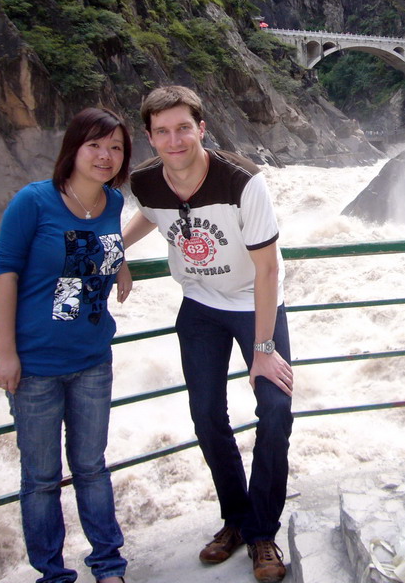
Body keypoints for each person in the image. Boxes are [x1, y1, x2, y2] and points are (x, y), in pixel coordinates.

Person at [121, 85, 293, 583]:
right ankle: (235, 521)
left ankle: (263, 532)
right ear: (150, 137)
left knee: (276, 411)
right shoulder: (147, 181)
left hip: (253, 303)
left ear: (201, 129)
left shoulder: (243, 184)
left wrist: (263, 351)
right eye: (162, 131)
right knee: (206, 417)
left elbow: (267, 272)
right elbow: (150, 216)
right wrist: (117, 253)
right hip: (198, 307)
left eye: (182, 128)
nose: (174, 140)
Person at [0, 108, 133, 583]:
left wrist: (120, 261)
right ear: (73, 148)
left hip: (93, 360)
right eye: (95, 144)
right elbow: (6, 274)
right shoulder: (34, 201)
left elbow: (99, 245)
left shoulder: (113, 203)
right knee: (41, 479)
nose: (105, 155)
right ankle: (53, 573)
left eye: (115, 147)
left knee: (92, 468)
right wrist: (6, 352)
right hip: (35, 366)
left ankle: (108, 564)